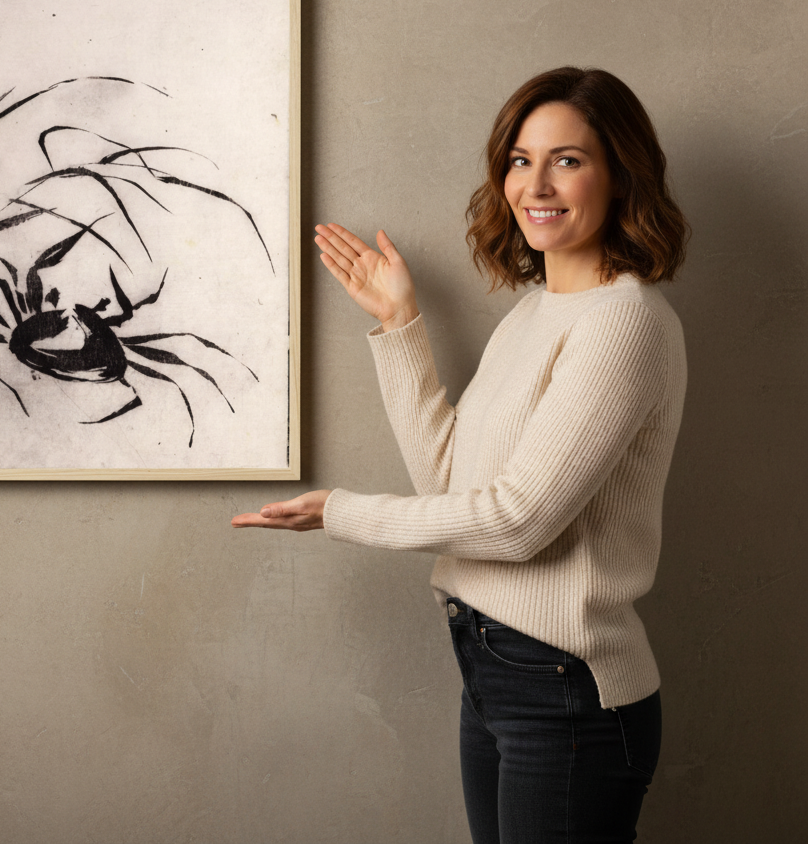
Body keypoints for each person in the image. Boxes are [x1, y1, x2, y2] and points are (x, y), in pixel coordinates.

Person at [232, 67, 689, 843]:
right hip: (493, 671)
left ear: (621, 173)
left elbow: (516, 523)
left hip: (565, 689)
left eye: (568, 160)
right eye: (520, 160)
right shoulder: (533, 315)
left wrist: (339, 512)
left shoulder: (625, 323)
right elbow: (449, 485)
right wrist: (400, 324)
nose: (535, 185)